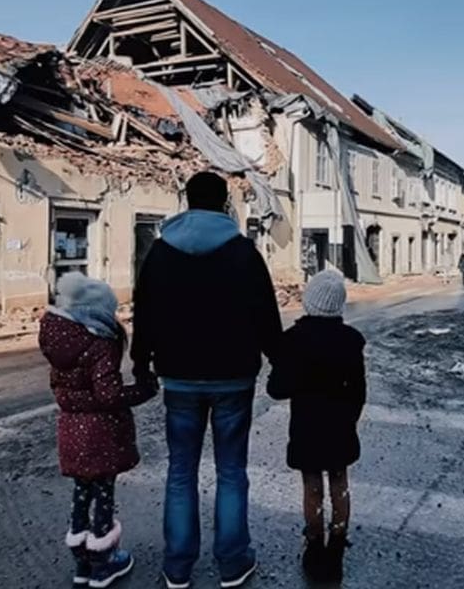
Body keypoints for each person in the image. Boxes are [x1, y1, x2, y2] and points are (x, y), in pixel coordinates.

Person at [131, 171, 282, 589]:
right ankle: (232, 562)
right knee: (231, 471)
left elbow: (145, 310)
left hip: (179, 377)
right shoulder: (244, 252)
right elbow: (265, 312)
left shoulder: (161, 251)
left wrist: (141, 363)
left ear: (187, 200)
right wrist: (280, 359)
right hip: (234, 377)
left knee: (181, 472)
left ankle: (177, 566)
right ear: (224, 203)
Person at [40, 272, 158, 589]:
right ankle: (104, 564)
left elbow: (62, 389)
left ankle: (81, 564)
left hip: (71, 429)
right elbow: (109, 395)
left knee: (81, 494)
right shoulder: (100, 344)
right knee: (104, 495)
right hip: (100, 433)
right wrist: (144, 390)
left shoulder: (60, 341)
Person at [266, 270, 366, 583]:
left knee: (312, 488)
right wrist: (350, 419)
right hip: (341, 427)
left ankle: (314, 546)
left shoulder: (294, 340)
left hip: (307, 428)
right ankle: (336, 548)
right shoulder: (351, 340)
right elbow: (359, 391)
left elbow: (277, 389)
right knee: (340, 483)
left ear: (310, 301)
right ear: (338, 304)